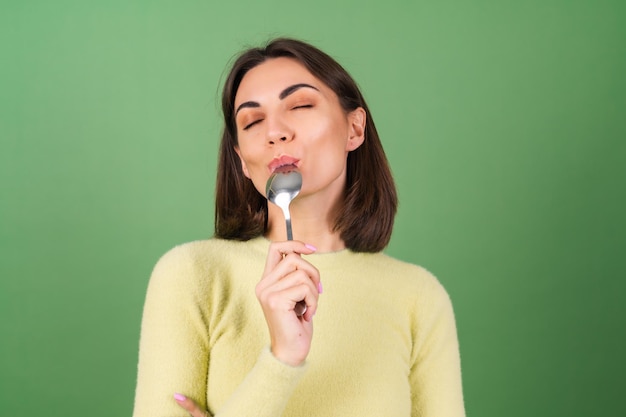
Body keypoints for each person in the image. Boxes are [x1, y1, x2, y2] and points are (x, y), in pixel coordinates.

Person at [132, 38, 465, 417]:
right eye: (253, 121)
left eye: (301, 105)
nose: (275, 132)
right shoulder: (192, 274)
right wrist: (282, 359)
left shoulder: (418, 297)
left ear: (354, 129)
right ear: (242, 160)